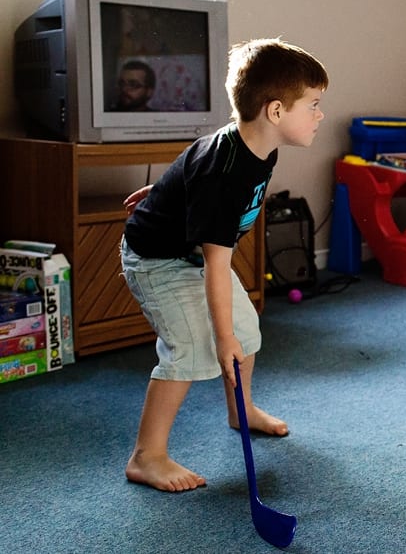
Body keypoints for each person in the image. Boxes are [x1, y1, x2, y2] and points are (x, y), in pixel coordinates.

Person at [121, 38, 328, 491]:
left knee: (247, 332)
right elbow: (217, 264)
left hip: (192, 251)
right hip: (160, 260)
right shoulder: (226, 172)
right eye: (312, 104)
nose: (320, 114)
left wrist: (165, 195)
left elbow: (196, 162)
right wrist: (222, 337)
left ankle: (241, 410)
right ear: (275, 111)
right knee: (194, 346)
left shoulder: (258, 143)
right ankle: (146, 455)